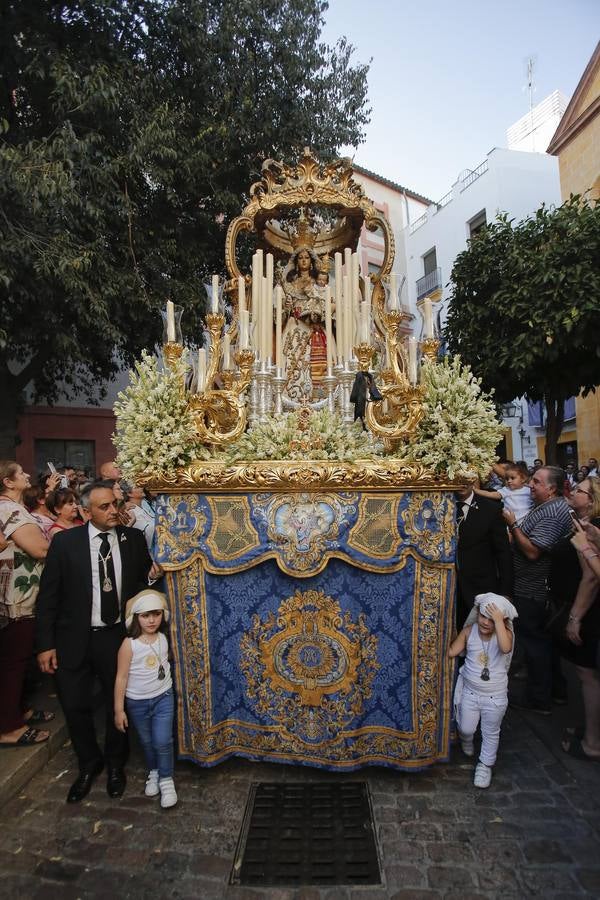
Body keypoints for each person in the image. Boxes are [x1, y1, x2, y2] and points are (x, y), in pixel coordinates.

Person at [35, 481, 162, 803]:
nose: (113, 512)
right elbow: (48, 597)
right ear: (85, 510)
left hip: (115, 637)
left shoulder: (132, 539)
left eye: (114, 505)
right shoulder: (66, 543)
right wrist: (45, 644)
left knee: (115, 702)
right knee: (76, 705)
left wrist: (150, 577)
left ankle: (116, 764)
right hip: (73, 639)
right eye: (104, 507)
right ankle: (89, 765)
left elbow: (137, 584)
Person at [503, 465, 572, 714]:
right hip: (530, 587)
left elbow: (533, 552)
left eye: (537, 482)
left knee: (536, 646)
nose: (531, 485)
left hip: (533, 590)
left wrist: (513, 525)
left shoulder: (553, 512)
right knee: (544, 645)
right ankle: (556, 691)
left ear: (552, 489)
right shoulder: (544, 507)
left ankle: (539, 699)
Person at [0, 461, 51, 747]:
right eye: (21, 473)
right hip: (17, 600)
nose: (28, 475)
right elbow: (39, 549)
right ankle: (9, 727)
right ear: (8, 482)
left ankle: (18, 710)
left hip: (20, 596)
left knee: (17, 660)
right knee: (13, 662)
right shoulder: (8, 508)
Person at [114, 590, 177, 808]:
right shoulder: (129, 645)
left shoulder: (163, 638)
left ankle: (167, 779)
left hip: (163, 698)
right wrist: (119, 710)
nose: (151, 620)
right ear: (136, 618)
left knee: (163, 740)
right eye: (145, 615)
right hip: (137, 702)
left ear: (163, 615)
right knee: (147, 742)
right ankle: (155, 771)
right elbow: (121, 677)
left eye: (156, 614)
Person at [450, 593, 516, 788]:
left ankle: (485, 765)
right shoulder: (469, 632)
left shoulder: (505, 635)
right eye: (483, 616)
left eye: (492, 618)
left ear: (503, 621)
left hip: (495, 697)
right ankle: (467, 739)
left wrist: (499, 622)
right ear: (476, 614)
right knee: (465, 727)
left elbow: (505, 648)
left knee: (490, 732)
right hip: (470, 692)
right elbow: (453, 651)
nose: (486, 622)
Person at [555, 483, 600, 761]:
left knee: (587, 675)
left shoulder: (590, 528)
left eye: (580, 490)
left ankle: (593, 742)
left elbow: (592, 577)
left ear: (592, 499)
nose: (572, 491)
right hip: (586, 608)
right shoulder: (584, 524)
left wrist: (575, 617)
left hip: (591, 611)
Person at [455, 482, 513, 627]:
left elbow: (503, 553)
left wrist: (505, 591)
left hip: (481, 588)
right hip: (448, 589)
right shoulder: (437, 505)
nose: (461, 482)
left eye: (465, 478)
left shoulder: (491, 508)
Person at [282, 247, 331, 401]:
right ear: (296, 262)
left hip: (314, 326)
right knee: (291, 363)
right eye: (301, 258)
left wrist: (317, 313)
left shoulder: (318, 282)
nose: (303, 260)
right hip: (295, 326)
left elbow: (326, 301)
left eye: (306, 257)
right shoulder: (291, 284)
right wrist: (287, 305)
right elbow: (286, 309)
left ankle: (319, 397)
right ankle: (291, 397)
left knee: (320, 363)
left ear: (311, 261)